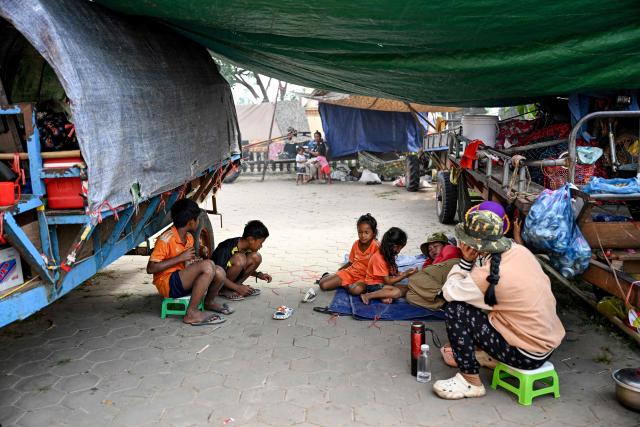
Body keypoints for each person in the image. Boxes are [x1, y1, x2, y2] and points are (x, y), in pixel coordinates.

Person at [432, 211, 565, 400]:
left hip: (525, 355)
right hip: (545, 347)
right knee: (477, 304)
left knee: (456, 309)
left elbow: (448, 292)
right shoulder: (519, 251)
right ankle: (488, 356)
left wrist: (465, 262)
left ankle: (470, 380)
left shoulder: (485, 277)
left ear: (471, 245)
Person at [147, 199, 227, 326]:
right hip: (168, 284)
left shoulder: (189, 238)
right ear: (191, 222)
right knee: (208, 265)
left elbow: (186, 264)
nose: (199, 221)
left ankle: (209, 302)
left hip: (182, 279)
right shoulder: (166, 239)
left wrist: (194, 263)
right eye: (198, 219)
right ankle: (191, 313)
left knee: (219, 272)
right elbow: (150, 268)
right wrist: (180, 258)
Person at [212, 220, 273, 301]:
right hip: (215, 281)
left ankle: (236, 287)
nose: (261, 246)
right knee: (240, 258)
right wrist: (237, 288)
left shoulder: (248, 247)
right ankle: (224, 290)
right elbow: (216, 274)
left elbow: (243, 267)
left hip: (228, 279)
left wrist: (258, 275)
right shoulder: (226, 248)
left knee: (256, 257)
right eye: (260, 243)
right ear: (251, 240)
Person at [355, 227, 418, 304]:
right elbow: (388, 282)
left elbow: (393, 271)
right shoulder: (379, 258)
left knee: (408, 288)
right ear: (389, 245)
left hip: (382, 283)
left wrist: (404, 273)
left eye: (400, 248)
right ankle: (368, 296)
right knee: (396, 293)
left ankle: (384, 295)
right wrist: (404, 275)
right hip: (374, 285)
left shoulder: (389, 253)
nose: (398, 251)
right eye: (397, 247)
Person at [318, 214, 379, 291]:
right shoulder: (356, 244)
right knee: (323, 284)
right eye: (360, 232)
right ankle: (339, 280)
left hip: (365, 278)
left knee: (356, 290)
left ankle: (344, 284)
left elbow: (380, 266)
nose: (363, 235)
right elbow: (350, 262)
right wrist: (339, 271)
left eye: (366, 232)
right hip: (351, 273)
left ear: (373, 233)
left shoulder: (376, 246)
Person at [405, 232, 462, 310]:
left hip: (453, 271)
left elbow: (450, 255)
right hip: (443, 285)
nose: (432, 250)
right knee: (410, 296)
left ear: (445, 245)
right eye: (430, 249)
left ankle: (444, 294)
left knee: (414, 278)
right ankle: (446, 305)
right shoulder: (430, 263)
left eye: (435, 246)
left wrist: (422, 275)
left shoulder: (449, 248)